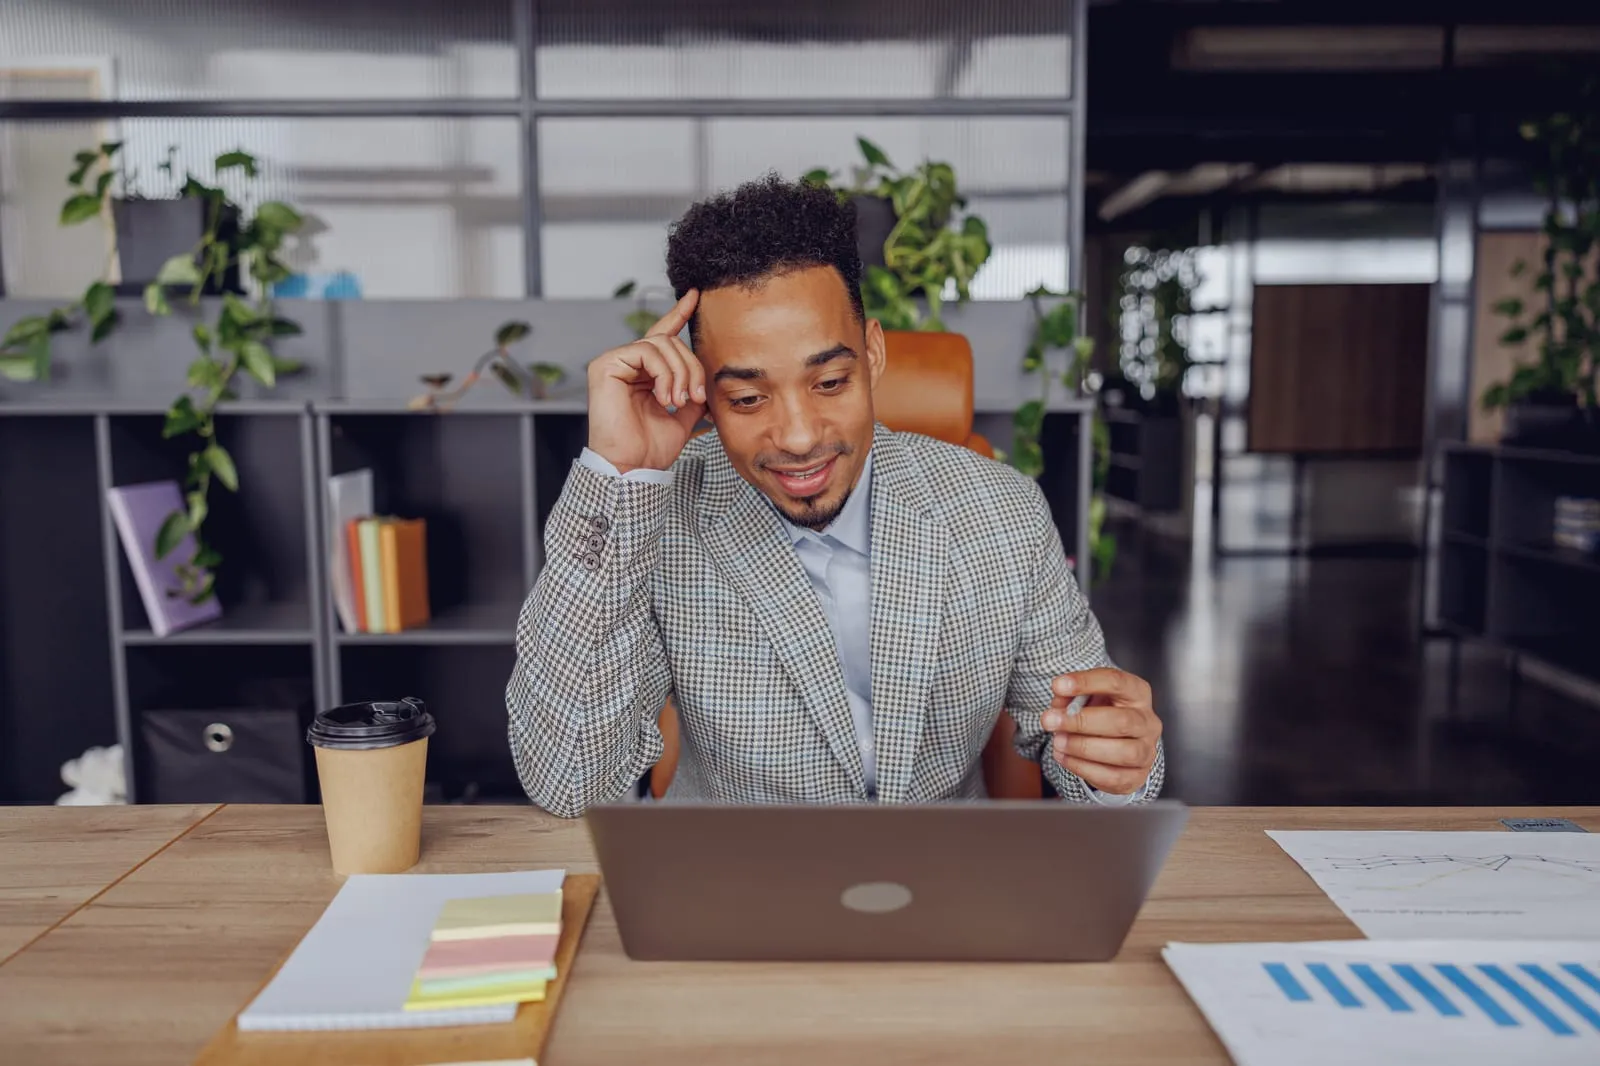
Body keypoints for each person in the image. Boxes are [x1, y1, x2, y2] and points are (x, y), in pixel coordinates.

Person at [507, 174, 1164, 817]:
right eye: (746, 398)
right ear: (699, 390)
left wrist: (1115, 762)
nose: (796, 437)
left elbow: (1083, 735)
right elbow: (569, 780)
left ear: (872, 355)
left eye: (829, 383)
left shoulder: (1001, 514)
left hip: (944, 885)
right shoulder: (659, 516)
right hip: (733, 888)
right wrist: (623, 476)